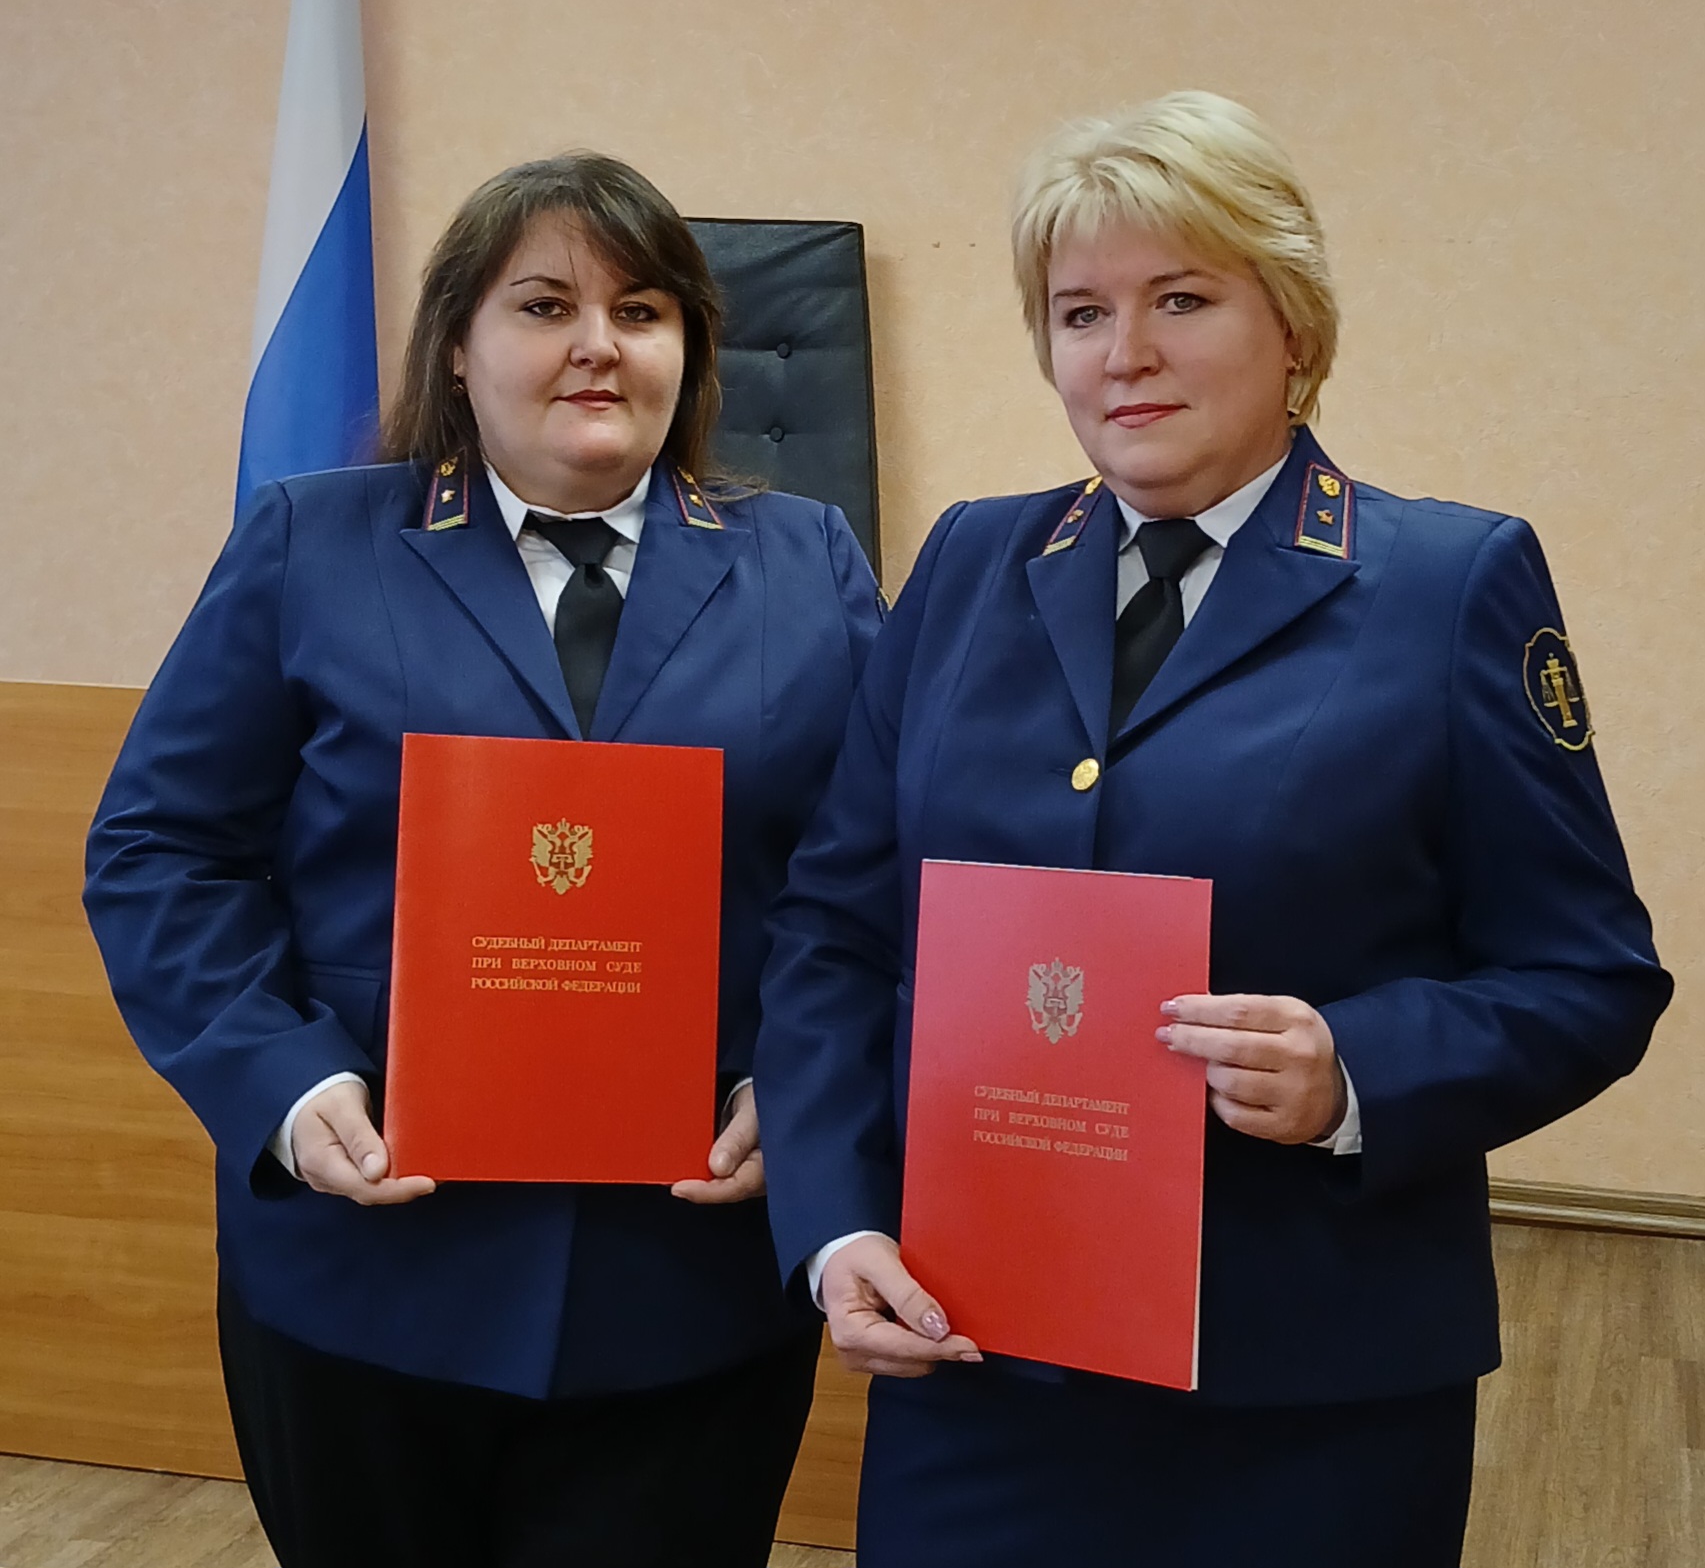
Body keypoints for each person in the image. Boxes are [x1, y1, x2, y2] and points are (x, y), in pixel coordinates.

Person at [754, 92, 1671, 1568]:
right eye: (1080, 312)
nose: (1124, 352)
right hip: (976, 1362)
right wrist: (835, 1221)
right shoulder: (970, 561)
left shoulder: (1449, 585)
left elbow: (1589, 977)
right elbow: (835, 932)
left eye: (1181, 298)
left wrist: (1353, 1068)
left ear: (1291, 323)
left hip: (1302, 1393)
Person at [84, 153, 882, 1568]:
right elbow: (162, 848)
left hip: (684, 1279)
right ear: (457, 344)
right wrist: (285, 1082)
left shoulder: (805, 559)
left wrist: (810, 1088)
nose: (597, 343)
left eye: (641, 310)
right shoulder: (312, 541)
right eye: (544, 305)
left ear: (689, 348)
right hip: (369, 1262)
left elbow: (873, 872)